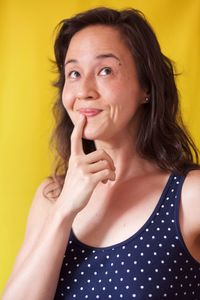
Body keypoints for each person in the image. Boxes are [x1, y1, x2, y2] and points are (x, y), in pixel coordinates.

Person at [2, 7, 200, 300]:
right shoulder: (52, 197)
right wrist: (63, 212)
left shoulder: (190, 196)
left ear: (146, 86)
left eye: (105, 70)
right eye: (74, 73)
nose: (84, 90)